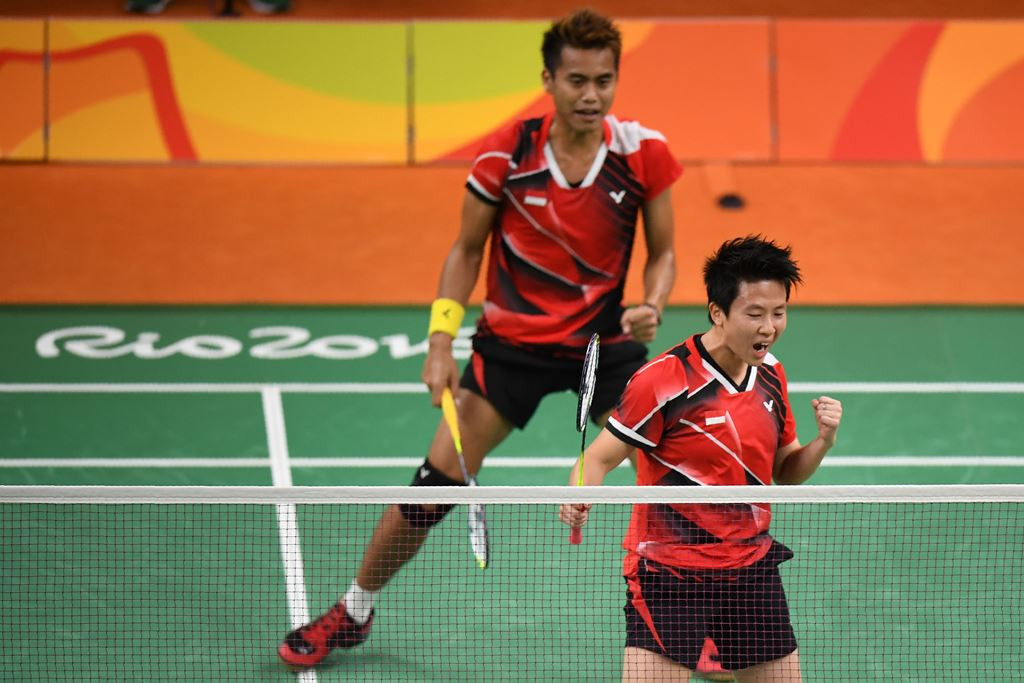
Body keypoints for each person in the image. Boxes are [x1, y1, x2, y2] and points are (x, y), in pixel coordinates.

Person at [278, 8, 683, 670]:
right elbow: (466, 250)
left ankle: (707, 607)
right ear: (547, 79)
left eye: (604, 80)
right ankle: (353, 609)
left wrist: (654, 301)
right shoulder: (505, 152)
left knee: (670, 476)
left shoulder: (643, 151)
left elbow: (664, 251)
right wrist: (441, 341)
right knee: (431, 485)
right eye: (576, 79)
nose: (591, 95)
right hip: (512, 346)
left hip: (604, 347)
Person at [560, 236, 844, 683]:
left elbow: (784, 472)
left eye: (778, 313)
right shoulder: (663, 380)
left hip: (750, 568)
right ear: (717, 312)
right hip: (669, 574)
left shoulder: (771, 373)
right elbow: (596, 458)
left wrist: (822, 442)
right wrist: (578, 493)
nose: (768, 327)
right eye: (754, 314)